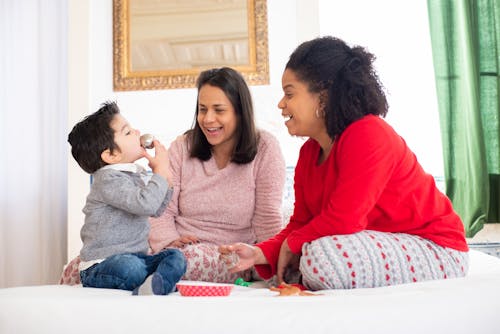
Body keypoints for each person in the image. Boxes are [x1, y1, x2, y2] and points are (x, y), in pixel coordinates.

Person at [219, 36, 469, 290]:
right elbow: (301, 224)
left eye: (289, 94)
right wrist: (260, 253)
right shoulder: (309, 153)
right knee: (305, 255)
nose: (281, 105)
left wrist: (292, 245)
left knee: (320, 256)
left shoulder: (368, 133)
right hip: (384, 242)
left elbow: (345, 219)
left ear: (323, 97)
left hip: (437, 247)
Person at [148, 67, 286, 283]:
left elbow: (267, 220)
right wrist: (168, 243)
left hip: (229, 256)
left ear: (240, 112)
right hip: (175, 251)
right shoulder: (182, 147)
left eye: (219, 110)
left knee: (185, 260)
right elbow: (161, 210)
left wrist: (273, 267)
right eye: (202, 109)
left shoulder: (266, 148)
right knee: (94, 262)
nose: (208, 119)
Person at [67, 101, 186, 295]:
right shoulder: (107, 179)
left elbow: (155, 208)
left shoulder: (133, 175)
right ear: (111, 155)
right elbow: (146, 204)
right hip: (102, 266)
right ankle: (155, 283)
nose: (137, 132)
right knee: (131, 268)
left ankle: (155, 285)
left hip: (137, 259)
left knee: (175, 257)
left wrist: (167, 180)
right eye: (128, 132)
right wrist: (159, 173)